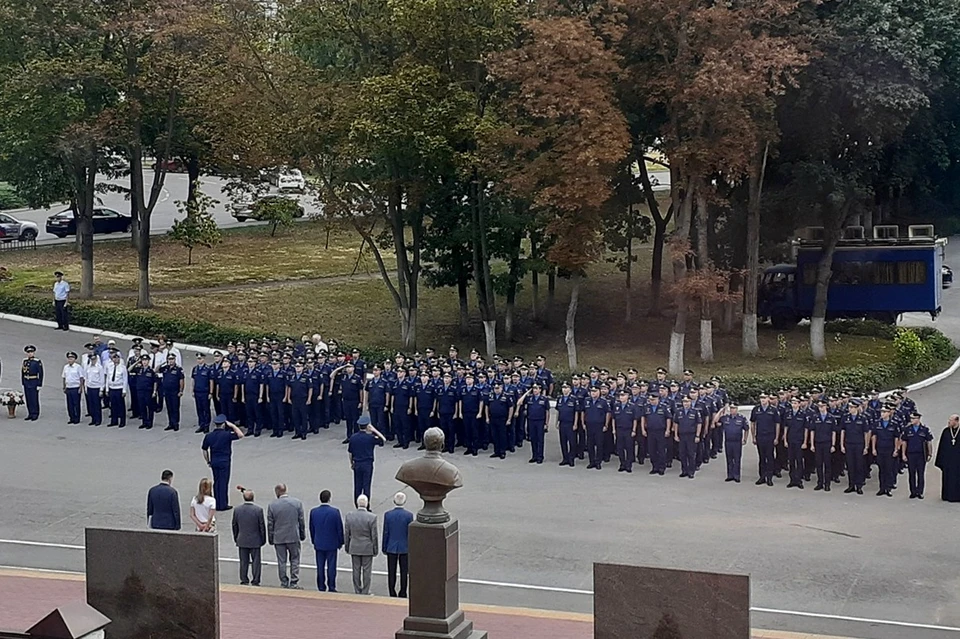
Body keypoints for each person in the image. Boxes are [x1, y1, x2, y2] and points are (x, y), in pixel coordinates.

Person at [201, 415, 245, 512]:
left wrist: (208, 460)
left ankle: (216, 502)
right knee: (224, 482)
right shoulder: (227, 434)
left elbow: (204, 449)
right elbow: (241, 435)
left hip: (214, 461)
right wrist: (233, 425)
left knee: (216, 482)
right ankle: (223, 504)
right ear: (224, 424)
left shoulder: (209, 436)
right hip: (225, 461)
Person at [268, 483, 305, 589]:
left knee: (281, 560)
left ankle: (284, 582)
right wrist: (302, 534)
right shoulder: (297, 503)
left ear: (277, 492)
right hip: (293, 536)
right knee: (295, 559)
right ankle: (294, 582)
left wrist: (271, 538)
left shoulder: (272, 505)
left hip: (279, 537)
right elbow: (301, 521)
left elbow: (270, 524)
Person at [309, 489, 344, 592]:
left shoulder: (314, 512)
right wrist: (341, 541)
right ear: (329, 499)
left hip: (319, 543)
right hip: (332, 544)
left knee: (320, 566)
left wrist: (314, 540)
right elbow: (339, 528)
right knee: (331, 566)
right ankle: (331, 586)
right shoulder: (335, 512)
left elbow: (312, 528)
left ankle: (321, 586)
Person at [344, 494, 379, 595]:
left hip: (354, 546)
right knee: (367, 571)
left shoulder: (350, 516)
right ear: (367, 504)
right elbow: (374, 535)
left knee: (356, 569)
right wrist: (375, 549)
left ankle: (357, 589)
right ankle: (365, 591)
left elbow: (347, 533)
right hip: (367, 547)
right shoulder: (372, 517)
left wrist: (347, 546)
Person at [232, 489, 266, 586]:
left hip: (242, 539)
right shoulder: (258, 510)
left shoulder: (237, 510)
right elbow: (261, 526)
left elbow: (234, 525)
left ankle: (244, 579)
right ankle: (256, 580)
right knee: (256, 561)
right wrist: (263, 539)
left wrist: (236, 538)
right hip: (255, 540)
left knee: (243, 561)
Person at [348, 415, 386, 503]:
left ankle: (357, 503)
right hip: (367, 464)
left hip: (357, 463)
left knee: (357, 485)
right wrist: (374, 430)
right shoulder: (370, 438)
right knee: (366, 485)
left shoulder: (353, 438)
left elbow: (350, 453)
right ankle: (366, 504)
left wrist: (351, 463)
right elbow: (383, 439)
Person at [383, 492, 413, 598]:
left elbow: (386, 532)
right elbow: (410, 533)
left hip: (391, 546)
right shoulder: (409, 515)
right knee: (404, 571)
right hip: (404, 546)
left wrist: (384, 546)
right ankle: (403, 591)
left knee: (392, 570)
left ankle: (392, 590)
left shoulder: (388, 515)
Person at [901, 411, 934, 499]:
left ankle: (920, 492)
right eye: (911, 418)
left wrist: (930, 453)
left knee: (921, 474)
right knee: (911, 474)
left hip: (921, 455)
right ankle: (913, 491)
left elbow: (929, 442)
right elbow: (904, 442)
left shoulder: (924, 429)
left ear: (918, 419)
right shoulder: (907, 429)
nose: (911, 420)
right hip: (911, 454)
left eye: (913, 418)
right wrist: (903, 454)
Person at [872, 404, 901, 497]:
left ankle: (888, 488)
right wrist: (873, 448)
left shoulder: (894, 424)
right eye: (881, 412)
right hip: (880, 449)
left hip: (889, 449)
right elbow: (874, 436)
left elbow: (896, 437)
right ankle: (881, 488)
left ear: (889, 413)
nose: (882, 414)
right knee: (881, 469)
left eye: (884, 412)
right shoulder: (877, 423)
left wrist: (896, 449)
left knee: (888, 469)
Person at [719, 404, 749, 482]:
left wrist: (745, 439)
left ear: (737, 409)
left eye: (734, 408)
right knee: (729, 459)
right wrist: (721, 411)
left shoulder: (741, 418)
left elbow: (746, 429)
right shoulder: (725, 418)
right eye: (731, 408)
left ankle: (737, 476)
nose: (733, 410)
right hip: (728, 441)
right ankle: (730, 475)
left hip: (737, 442)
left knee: (737, 459)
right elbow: (715, 421)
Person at [935, 414, 960, 502]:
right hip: (948, 460)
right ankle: (947, 495)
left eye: (951, 420)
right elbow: (942, 446)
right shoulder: (946, 431)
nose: (949, 422)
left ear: (956, 421)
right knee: (947, 478)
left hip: (958, 461)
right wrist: (940, 460)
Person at [158, 354, 185, 432]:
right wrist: (163, 363)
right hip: (167, 391)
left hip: (175, 392)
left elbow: (181, 380)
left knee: (175, 408)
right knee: (169, 408)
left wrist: (181, 391)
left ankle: (176, 424)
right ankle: (170, 423)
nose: (171, 361)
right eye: (169, 359)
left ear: (175, 360)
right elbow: (156, 370)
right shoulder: (165, 368)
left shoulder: (178, 369)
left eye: (172, 359)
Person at [104, 350, 128, 427]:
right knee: (113, 405)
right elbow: (108, 378)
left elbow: (125, 379)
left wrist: (124, 390)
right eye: (114, 358)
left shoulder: (122, 367)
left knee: (120, 406)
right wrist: (107, 389)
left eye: (117, 358)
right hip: (112, 388)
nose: (115, 359)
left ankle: (122, 421)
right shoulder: (110, 367)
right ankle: (114, 421)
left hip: (119, 388)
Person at [61, 351, 85, 425]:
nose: (70, 360)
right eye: (69, 358)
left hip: (75, 387)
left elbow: (81, 378)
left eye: (71, 358)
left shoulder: (78, 367)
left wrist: (81, 388)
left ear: (74, 359)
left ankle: (77, 418)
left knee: (76, 404)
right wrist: (64, 387)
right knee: (69, 404)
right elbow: (64, 377)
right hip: (69, 387)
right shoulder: (66, 367)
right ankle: (71, 418)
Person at [21, 345, 44, 421]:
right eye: (28, 352)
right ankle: (30, 413)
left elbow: (40, 373)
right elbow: (23, 373)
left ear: (34, 353)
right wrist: (23, 382)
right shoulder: (25, 361)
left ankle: (35, 413)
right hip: (27, 382)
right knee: (28, 398)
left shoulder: (37, 362)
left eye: (31, 352)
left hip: (34, 381)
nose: (30, 354)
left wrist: (39, 384)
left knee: (34, 398)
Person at [192, 353, 214, 434]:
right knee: (199, 409)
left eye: (200, 358)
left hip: (205, 392)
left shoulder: (208, 369)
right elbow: (193, 380)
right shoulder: (195, 369)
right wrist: (193, 390)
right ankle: (201, 425)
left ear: (204, 359)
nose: (199, 360)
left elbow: (211, 381)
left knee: (206, 409)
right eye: (198, 359)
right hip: (197, 392)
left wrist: (211, 392)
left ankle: (206, 426)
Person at [83, 352, 105, 426]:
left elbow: (102, 379)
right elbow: (86, 378)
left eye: (94, 359)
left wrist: (101, 390)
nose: (93, 361)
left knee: (97, 405)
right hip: (89, 387)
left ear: (96, 359)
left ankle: (98, 420)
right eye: (92, 359)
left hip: (96, 388)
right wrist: (85, 387)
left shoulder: (99, 367)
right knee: (91, 404)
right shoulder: (88, 367)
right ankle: (93, 419)